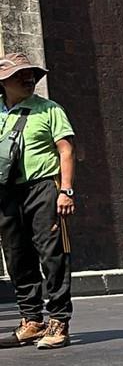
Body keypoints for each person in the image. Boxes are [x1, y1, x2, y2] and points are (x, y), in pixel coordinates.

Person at [0, 53, 76, 350]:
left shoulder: (49, 110)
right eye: (20, 75)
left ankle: (59, 320)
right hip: (7, 192)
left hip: (43, 187)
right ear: (4, 82)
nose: (28, 79)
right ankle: (31, 320)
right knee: (17, 256)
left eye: (31, 74)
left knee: (52, 254)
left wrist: (66, 190)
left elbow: (65, 150)